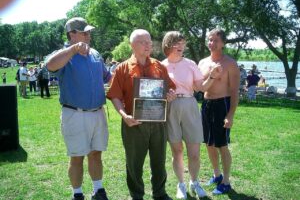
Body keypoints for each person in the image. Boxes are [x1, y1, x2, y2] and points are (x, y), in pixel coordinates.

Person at [46, 17, 111, 200]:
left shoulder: (95, 54)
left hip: (97, 112)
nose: (89, 35)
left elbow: (108, 76)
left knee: (96, 153)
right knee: (77, 156)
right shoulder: (63, 54)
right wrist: (73, 50)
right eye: (85, 32)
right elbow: (50, 65)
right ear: (72, 35)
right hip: (74, 113)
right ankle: (78, 193)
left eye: (89, 32)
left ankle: (98, 189)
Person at [106, 29, 175, 200]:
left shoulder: (159, 66)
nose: (148, 45)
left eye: (149, 42)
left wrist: (170, 96)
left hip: (158, 122)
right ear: (132, 45)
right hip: (133, 123)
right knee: (134, 163)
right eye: (143, 42)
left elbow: (170, 88)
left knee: (159, 161)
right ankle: (136, 195)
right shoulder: (122, 68)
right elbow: (114, 96)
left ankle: (160, 193)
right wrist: (124, 116)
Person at [161, 31, 222, 199]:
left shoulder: (190, 64)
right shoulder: (160, 65)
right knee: (177, 150)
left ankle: (194, 182)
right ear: (168, 45)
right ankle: (181, 184)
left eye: (183, 43)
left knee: (194, 151)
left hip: (189, 104)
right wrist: (164, 95)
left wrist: (212, 76)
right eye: (177, 43)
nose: (181, 46)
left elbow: (201, 88)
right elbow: (156, 91)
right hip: (170, 107)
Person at [198, 28, 240, 195]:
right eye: (210, 39)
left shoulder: (230, 63)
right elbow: (199, 87)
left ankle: (226, 181)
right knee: (208, 143)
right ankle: (216, 174)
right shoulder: (202, 62)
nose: (211, 43)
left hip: (222, 104)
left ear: (222, 43)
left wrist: (230, 114)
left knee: (222, 145)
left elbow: (235, 91)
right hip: (206, 105)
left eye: (215, 40)